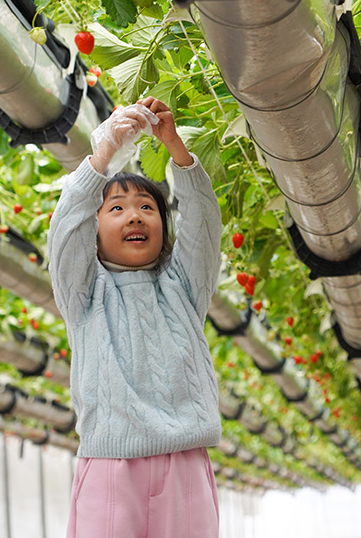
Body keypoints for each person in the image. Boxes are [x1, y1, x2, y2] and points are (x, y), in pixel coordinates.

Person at [47, 97, 222, 538]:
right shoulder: (83, 292)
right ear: (96, 226)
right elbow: (66, 227)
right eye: (117, 207)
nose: (134, 215)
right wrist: (101, 155)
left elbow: (204, 222)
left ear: (163, 227)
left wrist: (175, 147)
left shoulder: (184, 287)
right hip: (110, 464)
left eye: (147, 207)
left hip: (185, 461)